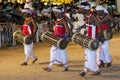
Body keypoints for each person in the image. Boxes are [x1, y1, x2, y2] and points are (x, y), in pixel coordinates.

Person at [43, 7, 72, 72]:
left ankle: (50, 67)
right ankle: (66, 66)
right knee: (62, 53)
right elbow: (54, 30)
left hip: (60, 40)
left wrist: (67, 38)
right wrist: (48, 28)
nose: (55, 15)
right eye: (55, 13)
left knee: (53, 51)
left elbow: (67, 29)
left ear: (60, 13)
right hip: (56, 39)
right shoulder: (56, 21)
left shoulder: (63, 21)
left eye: (56, 13)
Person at [80, 5, 100, 77]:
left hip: (93, 39)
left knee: (91, 55)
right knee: (88, 54)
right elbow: (86, 24)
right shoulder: (86, 15)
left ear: (86, 9)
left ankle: (85, 70)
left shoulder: (93, 16)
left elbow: (99, 26)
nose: (81, 10)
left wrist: (100, 37)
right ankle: (97, 70)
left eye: (82, 9)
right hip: (88, 38)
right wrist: (80, 28)